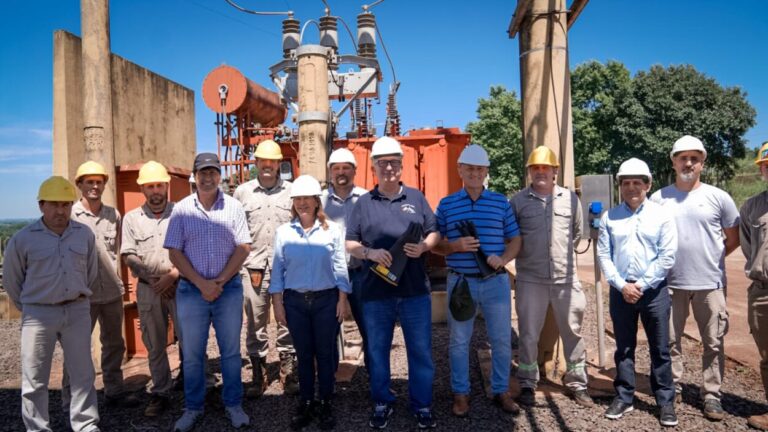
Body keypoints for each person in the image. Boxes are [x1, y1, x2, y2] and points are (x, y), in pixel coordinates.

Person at [346, 136, 441, 429]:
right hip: (376, 294)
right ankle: (382, 402)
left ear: (402, 166)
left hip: (414, 291)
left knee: (420, 350)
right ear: (374, 166)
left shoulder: (416, 198)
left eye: (394, 162)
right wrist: (369, 252)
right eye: (383, 162)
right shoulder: (363, 203)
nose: (389, 167)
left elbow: (434, 232)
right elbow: (349, 243)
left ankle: (422, 404)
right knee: (376, 350)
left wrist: (425, 247)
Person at [649, 135, 739, 420]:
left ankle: (711, 394)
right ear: (673, 162)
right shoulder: (658, 198)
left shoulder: (719, 197)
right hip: (669, 283)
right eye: (683, 158)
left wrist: (709, 261)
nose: (688, 163)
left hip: (709, 284)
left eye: (694, 158)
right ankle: (671, 389)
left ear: (703, 162)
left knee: (713, 342)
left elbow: (732, 238)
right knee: (670, 341)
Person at [2, 176, 101, 432]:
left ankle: (86, 424)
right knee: (34, 378)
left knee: (83, 374)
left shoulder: (84, 235)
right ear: (41, 206)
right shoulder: (23, 239)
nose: (61, 211)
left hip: (77, 310)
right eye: (54, 204)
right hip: (38, 314)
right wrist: (33, 306)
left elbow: (90, 272)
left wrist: (76, 297)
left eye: (66, 204)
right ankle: (37, 427)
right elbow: (12, 281)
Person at [164, 153, 252, 431]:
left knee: (230, 352)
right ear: (194, 176)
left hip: (229, 289)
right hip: (191, 291)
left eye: (213, 172)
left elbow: (243, 247)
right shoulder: (181, 209)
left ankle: (233, 404)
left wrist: (220, 281)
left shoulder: (234, 207)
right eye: (202, 172)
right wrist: (202, 283)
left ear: (219, 176)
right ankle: (193, 408)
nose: (207, 177)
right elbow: (174, 251)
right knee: (192, 354)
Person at [433, 144, 522, 417]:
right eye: (469, 168)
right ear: (460, 169)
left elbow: (516, 239)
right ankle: (461, 394)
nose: (474, 173)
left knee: (501, 339)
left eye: (479, 169)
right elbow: (435, 244)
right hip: (461, 282)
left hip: (495, 281)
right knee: (459, 341)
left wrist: (504, 259)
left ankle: (501, 390)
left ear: (486, 172)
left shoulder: (500, 202)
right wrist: (454, 246)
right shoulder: (447, 205)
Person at [597, 157, 678, 427]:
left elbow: (667, 257)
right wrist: (622, 286)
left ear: (648, 184)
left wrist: (640, 285)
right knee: (624, 347)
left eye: (637, 182)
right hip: (621, 291)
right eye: (626, 182)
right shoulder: (610, 217)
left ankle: (665, 402)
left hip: (653, 291)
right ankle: (624, 396)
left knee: (660, 348)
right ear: (620, 186)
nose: (632, 187)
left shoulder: (662, 215)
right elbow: (604, 256)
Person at [510, 146, 593, 408]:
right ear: (530, 172)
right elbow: (512, 237)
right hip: (530, 279)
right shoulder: (518, 201)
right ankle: (527, 383)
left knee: (573, 332)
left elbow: (577, 234)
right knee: (528, 333)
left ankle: (578, 383)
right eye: (536, 168)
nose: (541, 172)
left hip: (565, 279)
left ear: (555, 171)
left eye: (546, 167)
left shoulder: (571, 200)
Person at [270, 175, 351, 431]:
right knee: (303, 355)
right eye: (298, 199)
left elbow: (341, 266)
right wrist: (277, 303)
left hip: (326, 300)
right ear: (293, 203)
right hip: (294, 302)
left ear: (317, 201)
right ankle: (306, 402)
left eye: (307, 198)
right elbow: (277, 269)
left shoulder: (333, 230)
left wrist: (342, 299)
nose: (302, 203)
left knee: (325, 354)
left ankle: (326, 401)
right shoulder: (283, 233)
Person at [63, 160, 139, 408]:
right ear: (80, 185)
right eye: (89, 182)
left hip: (110, 292)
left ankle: (114, 392)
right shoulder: (70, 216)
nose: (94, 186)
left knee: (114, 344)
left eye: (99, 182)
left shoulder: (113, 215)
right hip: (80, 295)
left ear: (104, 184)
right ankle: (72, 399)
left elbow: (115, 253)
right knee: (77, 347)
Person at [233, 139, 298, 398]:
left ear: (278, 163)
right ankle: (258, 374)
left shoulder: (292, 191)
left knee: (287, 321)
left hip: (286, 268)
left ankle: (288, 371)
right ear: (257, 163)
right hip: (253, 268)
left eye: (272, 161)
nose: (268, 166)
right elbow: (235, 232)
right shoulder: (242, 193)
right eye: (263, 161)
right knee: (255, 323)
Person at [120, 161, 182, 417]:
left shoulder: (181, 213)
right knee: (155, 344)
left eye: (159, 185)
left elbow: (191, 250)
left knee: (190, 339)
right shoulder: (132, 219)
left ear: (166, 186)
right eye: (150, 186)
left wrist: (172, 277)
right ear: (143, 190)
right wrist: (155, 280)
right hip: (148, 289)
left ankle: (193, 388)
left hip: (181, 285)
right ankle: (161, 392)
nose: (155, 190)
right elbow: (129, 255)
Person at [321, 148, 369, 369]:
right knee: (328, 331)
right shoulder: (319, 202)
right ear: (330, 171)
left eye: (346, 168)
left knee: (370, 328)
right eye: (336, 168)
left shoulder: (367, 198)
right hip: (330, 276)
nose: (341, 172)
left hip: (362, 273)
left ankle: (375, 380)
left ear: (354, 171)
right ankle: (328, 383)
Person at [738, 140, 768, 431]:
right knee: (767, 355)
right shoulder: (752, 207)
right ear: (761, 170)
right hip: (763, 292)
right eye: (766, 166)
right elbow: (749, 246)